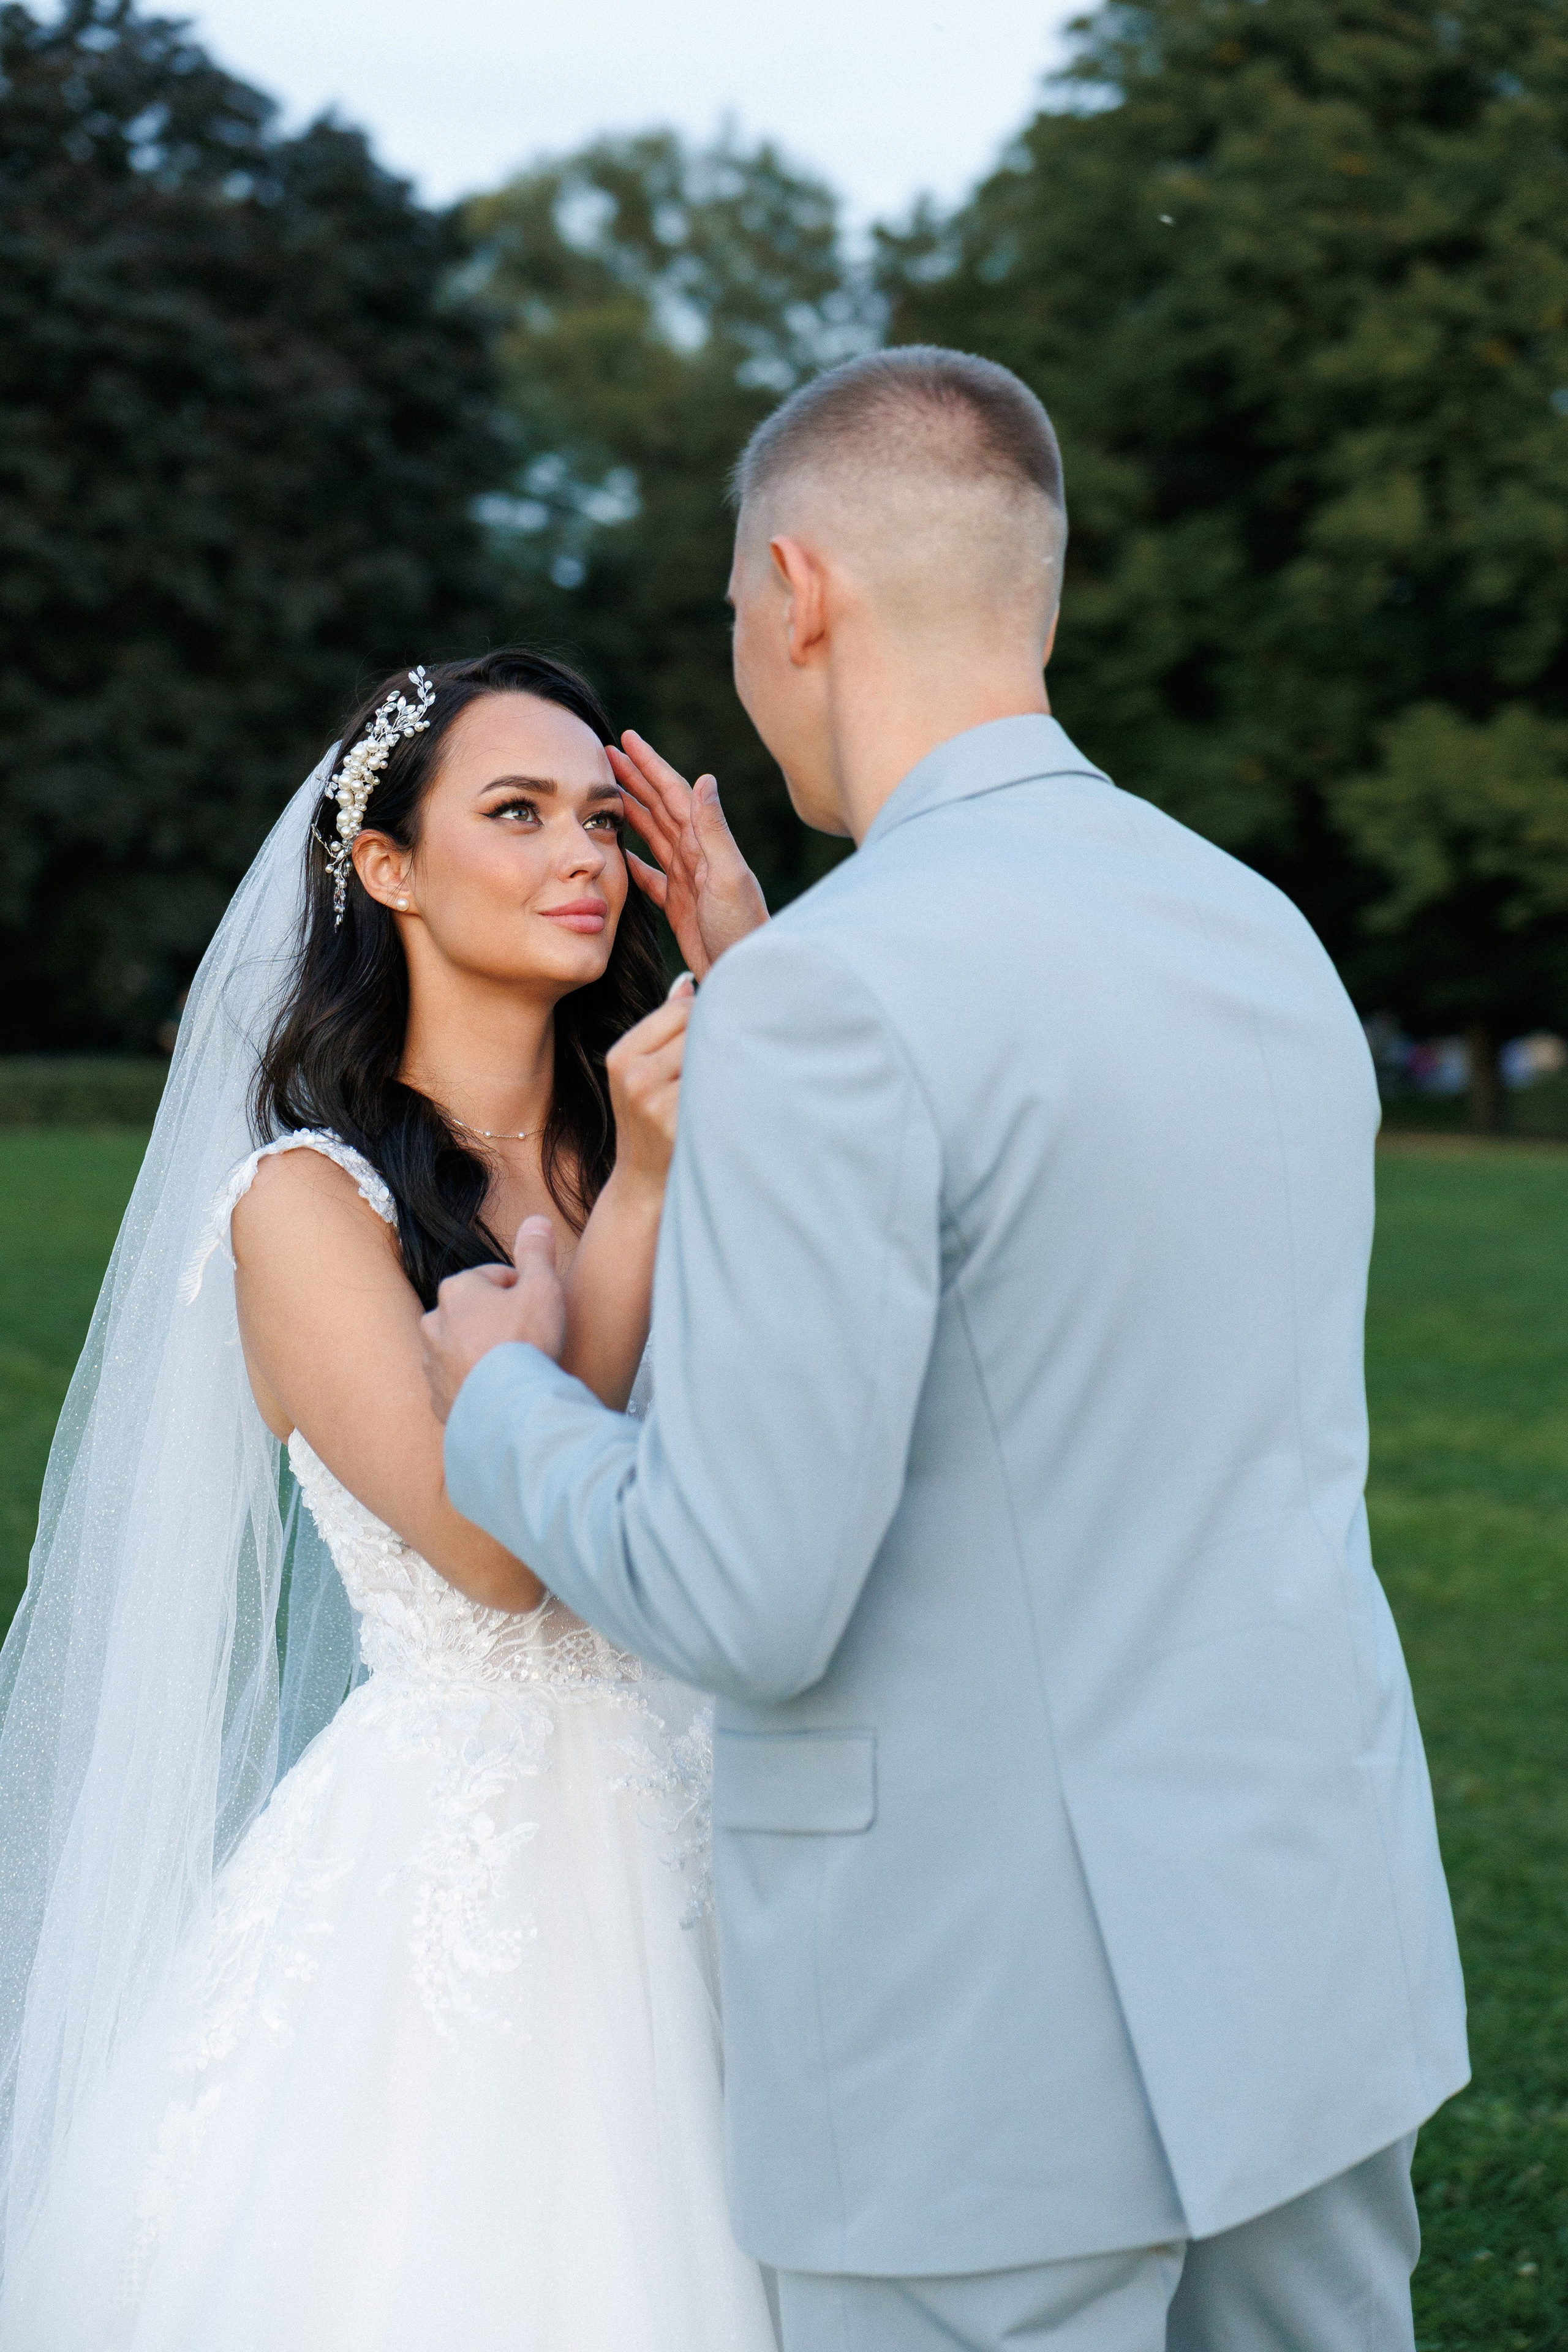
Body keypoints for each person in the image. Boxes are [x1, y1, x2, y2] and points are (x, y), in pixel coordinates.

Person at [423, 350, 1471, 2352]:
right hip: (1307, 1980)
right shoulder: (1255, 927)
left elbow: (746, 1592)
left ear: (798, 593)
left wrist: (507, 1401)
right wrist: (792, 968)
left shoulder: (843, 994)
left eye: (735, 609)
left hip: (983, 2051)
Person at [0, 649, 780, 2350]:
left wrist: (769, 1003)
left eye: (600, 815)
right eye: (515, 812)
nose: (580, 853)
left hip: (752, 1835)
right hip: (465, 1898)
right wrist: (648, 1189)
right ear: (388, 866)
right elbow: (503, 1557)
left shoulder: (695, 1120)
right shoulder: (304, 1201)